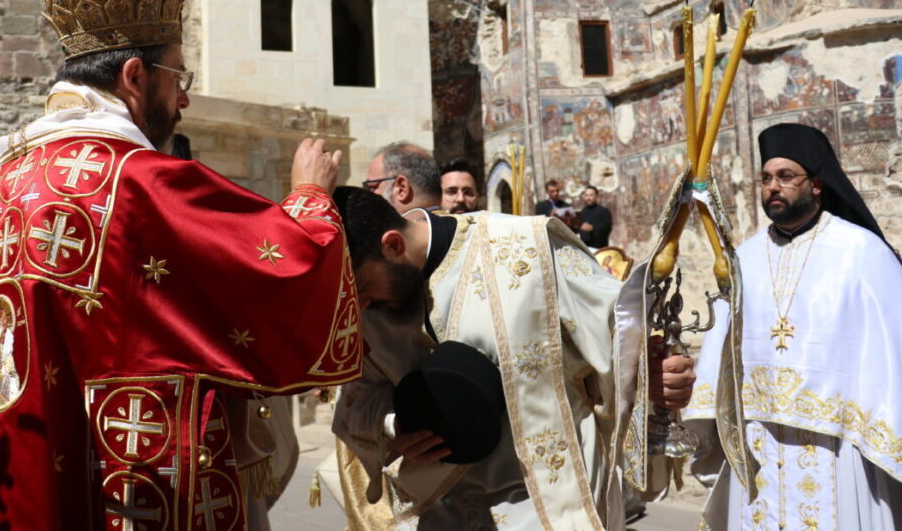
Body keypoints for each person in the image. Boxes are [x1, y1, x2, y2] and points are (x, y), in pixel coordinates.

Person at [0, 0, 362, 531]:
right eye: (179, 78)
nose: (184, 100)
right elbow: (281, 268)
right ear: (135, 77)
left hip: (19, 493)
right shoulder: (139, 182)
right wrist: (311, 198)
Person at [331, 187, 695, 530]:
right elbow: (358, 400)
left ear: (393, 245)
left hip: (546, 506)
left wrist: (654, 372)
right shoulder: (364, 308)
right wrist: (397, 427)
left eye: (362, 287)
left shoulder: (524, 245)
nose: (361, 305)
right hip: (442, 509)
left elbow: (615, 327)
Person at [684, 123, 902, 530]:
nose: (773, 187)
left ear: (816, 184)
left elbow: (894, 340)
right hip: (758, 441)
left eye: (786, 177)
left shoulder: (861, 252)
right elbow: (722, 349)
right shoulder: (743, 258)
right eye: (766, 178)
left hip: (836, 445)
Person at [363, 141, 442, 214]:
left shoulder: (398, 229)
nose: (367, 197)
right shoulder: (451, 225)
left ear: (402, 189)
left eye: (371, 187)